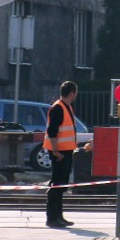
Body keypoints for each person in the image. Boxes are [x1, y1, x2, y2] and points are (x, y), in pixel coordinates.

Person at [44, 81, 79, 228]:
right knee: (56, 184)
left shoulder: (67, 107)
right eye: (75, 92)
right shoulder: (57, 108)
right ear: (72, 93)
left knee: (61, 185)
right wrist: (55, 151)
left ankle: (59, 216)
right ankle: (52, 218)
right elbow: (52, 131)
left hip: (66, 151)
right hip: (59, 153)